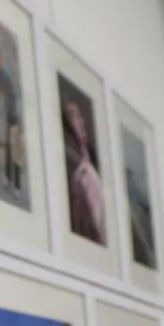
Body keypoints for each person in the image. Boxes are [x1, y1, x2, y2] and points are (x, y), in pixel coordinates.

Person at [63, 100, 107, 243]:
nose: (81, 122)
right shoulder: (80, 171)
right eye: (74, 117)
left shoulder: (92, 160)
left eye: (79, 116)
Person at [0, 42, 23, 194]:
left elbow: (13, 91)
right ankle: (9, 179)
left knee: (15, 150)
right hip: (10, 115)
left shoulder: (5, 71)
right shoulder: (0, 73)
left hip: (15, 115)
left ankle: (16, 185)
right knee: (10, 149)